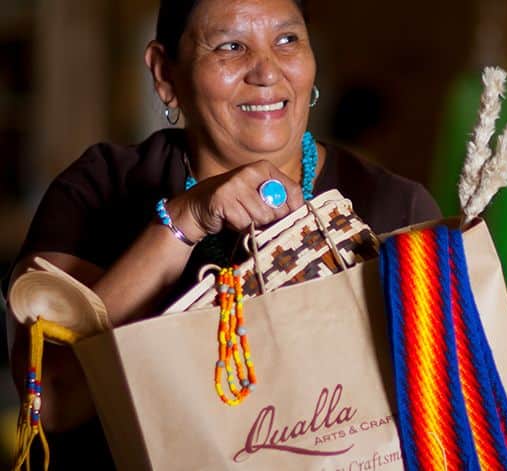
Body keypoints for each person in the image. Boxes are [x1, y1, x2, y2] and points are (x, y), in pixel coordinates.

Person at [3, 0, 441, 468]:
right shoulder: (98, 190)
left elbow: (449, 412)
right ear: (165, 74)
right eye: (231, 46)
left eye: (288, 40)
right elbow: (54, 397)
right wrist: (184, 221)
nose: (267, 71)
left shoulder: (395, 208)